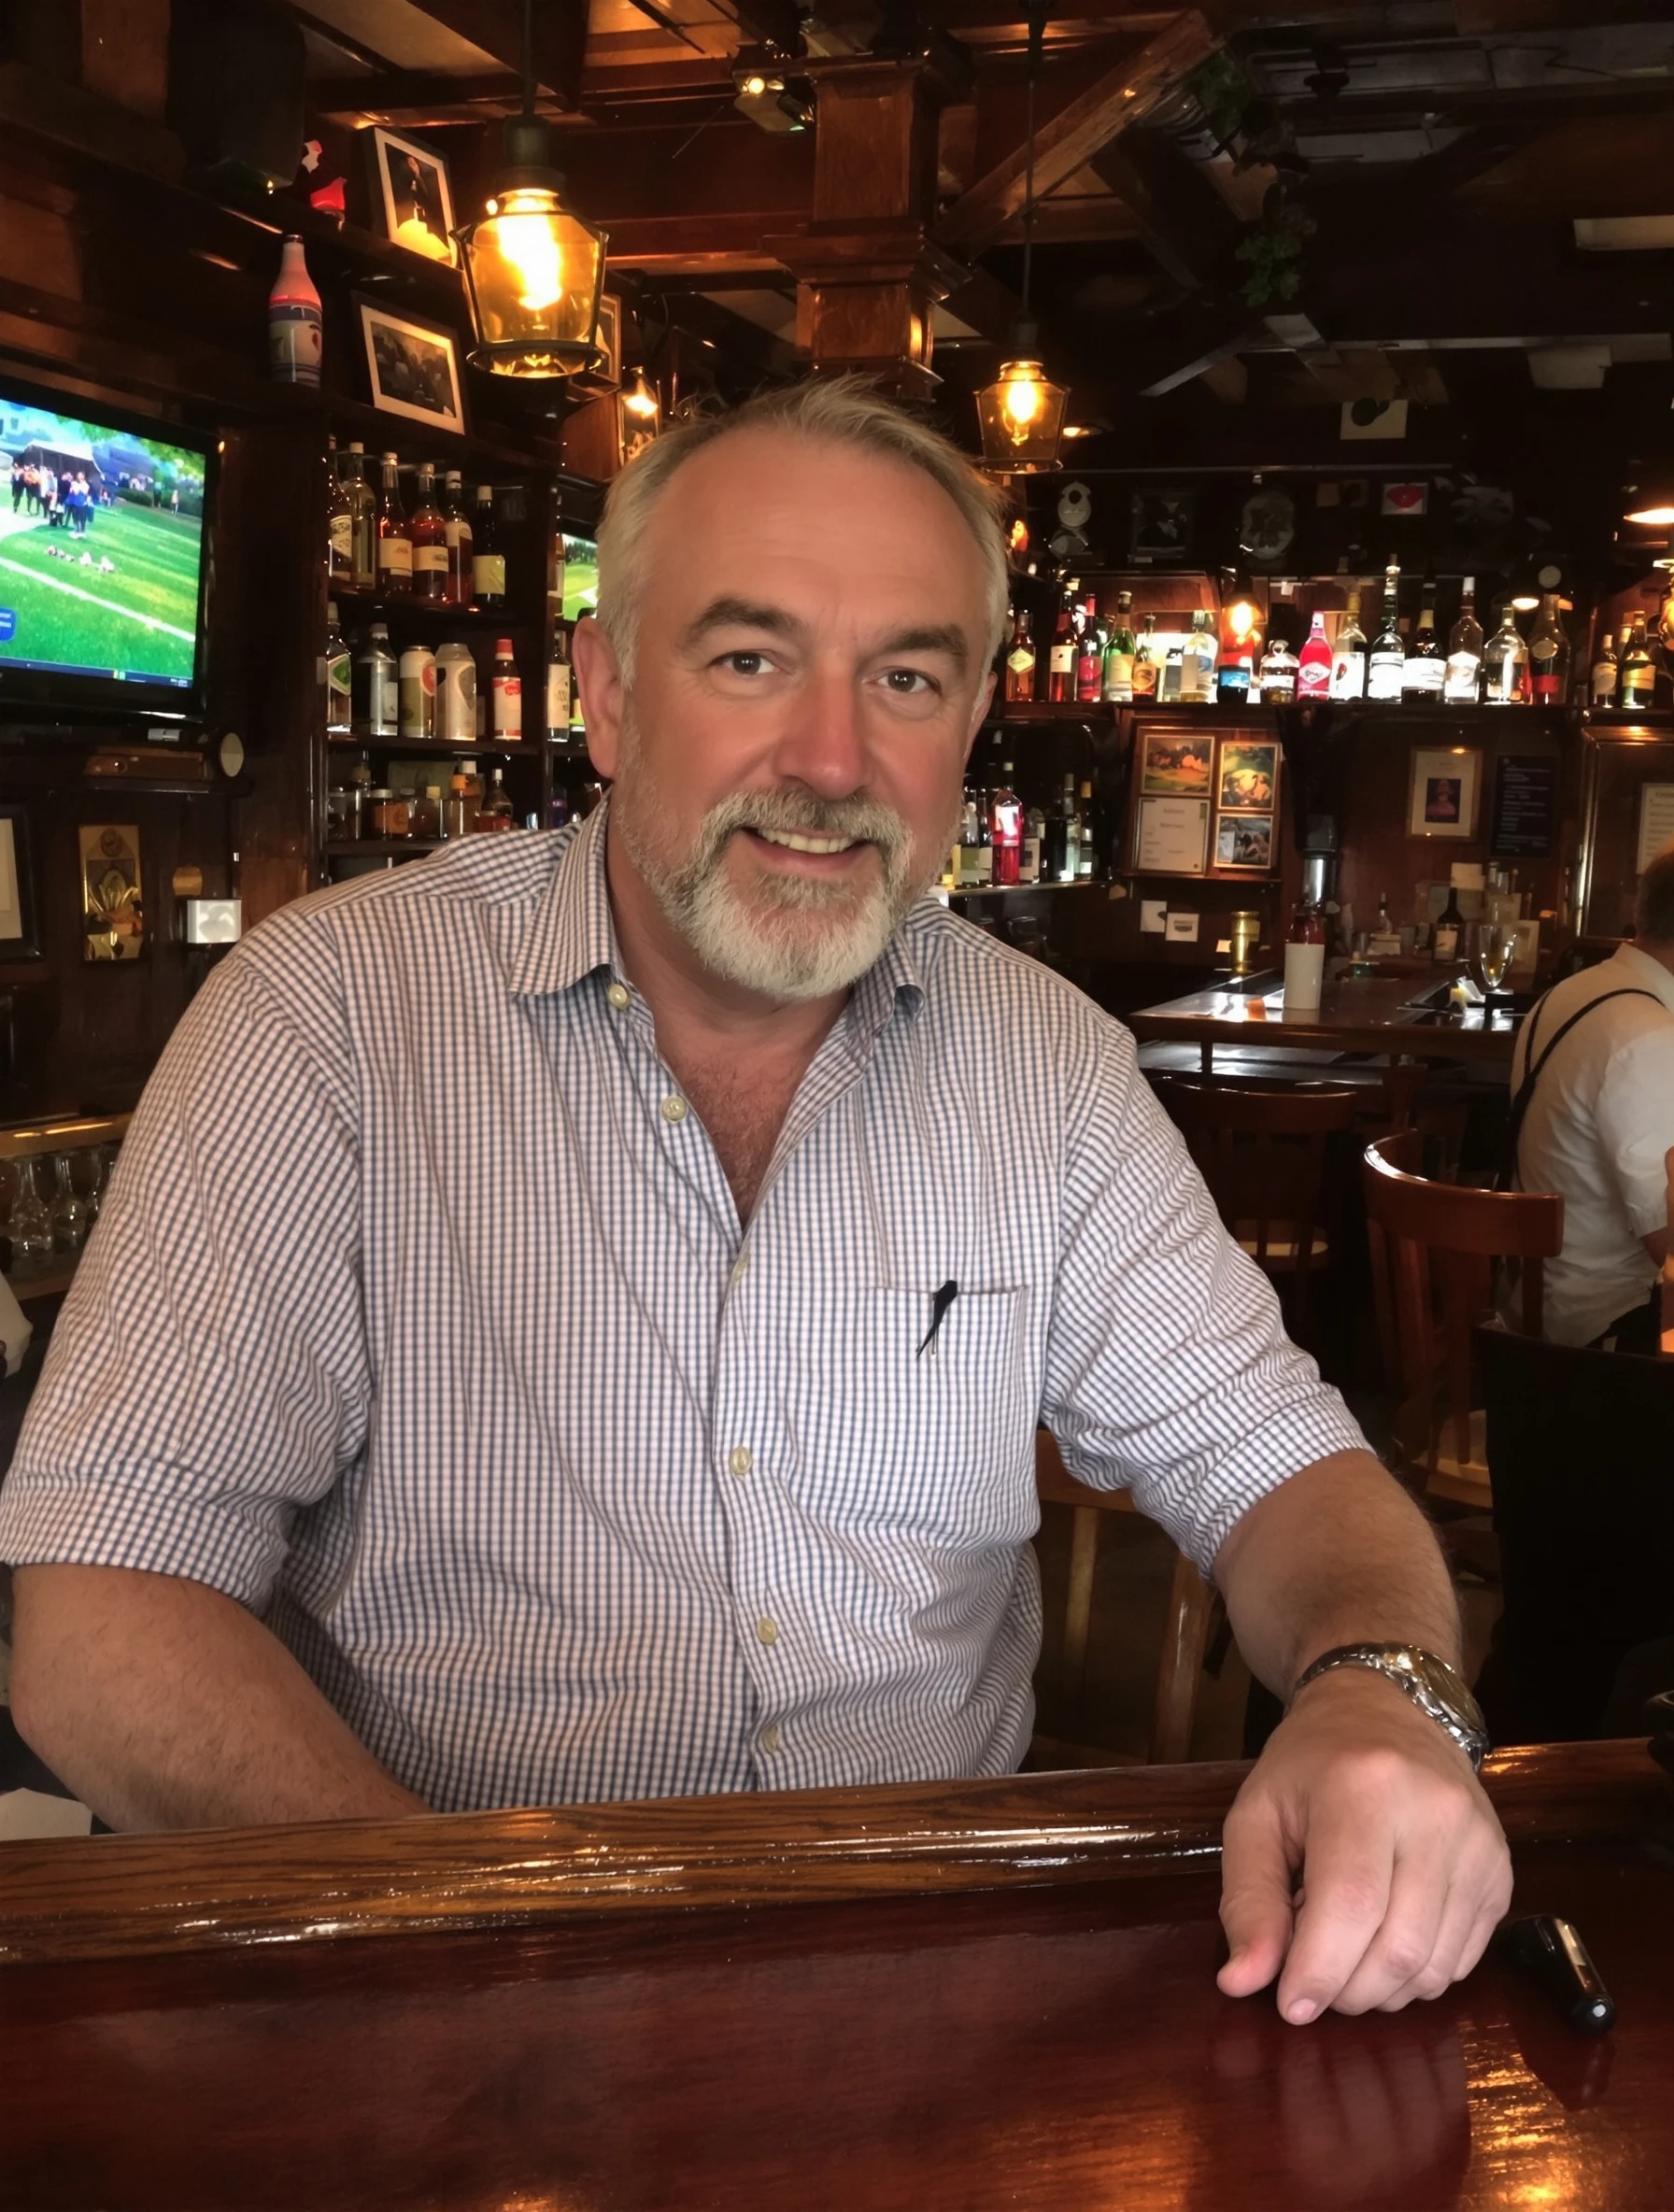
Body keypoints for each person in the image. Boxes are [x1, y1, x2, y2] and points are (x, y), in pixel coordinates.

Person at [4, 381, 1509, 2029]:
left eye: (906, 677)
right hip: (419, 2008)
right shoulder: (334, 1019)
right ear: (604, 693)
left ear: (968, 723)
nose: (830, 761)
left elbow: (1280, 1464)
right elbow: (99, 1610)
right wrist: (462, 1952)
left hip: (921, 1992)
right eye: (747, 659)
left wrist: (1382, 1691)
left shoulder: (1049, 1068)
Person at [1506, 844, 1674, 1351]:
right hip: (1608, 1332)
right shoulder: (1649, 1037)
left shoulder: (1573, 991)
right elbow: (1669, 1247)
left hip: (1536, 1301)